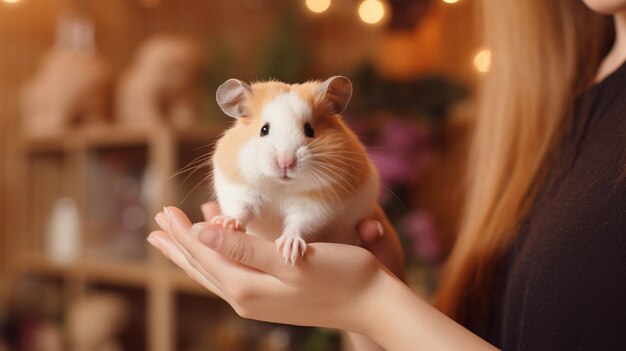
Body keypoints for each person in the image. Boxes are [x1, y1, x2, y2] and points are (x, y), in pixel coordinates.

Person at [147, 0, 626, 349]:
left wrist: (372, 301)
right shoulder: (555, 112)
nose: (285, 157)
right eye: (267, 131)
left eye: (309, 133)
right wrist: (371, 317)